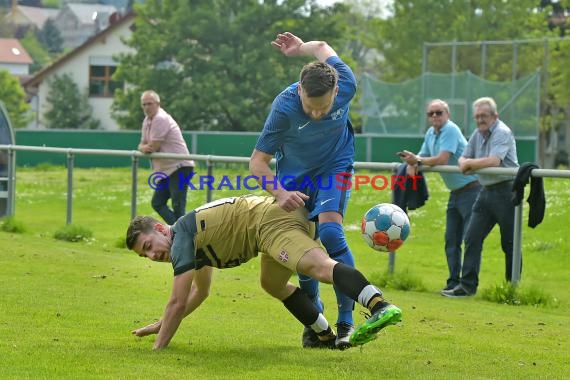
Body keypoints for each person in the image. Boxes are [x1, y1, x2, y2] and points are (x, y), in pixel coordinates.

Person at [125, 195, 402, 350]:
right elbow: (201, 291)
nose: (152, 256)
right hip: (267, 227)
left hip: (271, 223)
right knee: (272, 283)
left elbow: (176, 301)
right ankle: (324, 335)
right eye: (144, 255)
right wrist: (162, 324)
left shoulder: (181, 239)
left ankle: (380, 305)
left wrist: (158, 348)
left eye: (149, 246)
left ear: (161, 228)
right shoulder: (189, 239)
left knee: (319, 267)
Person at [250, 32, 358, 349]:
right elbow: (257, 163)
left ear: (337, 91)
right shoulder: (283, 109)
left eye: (323, 109)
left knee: (332, 234)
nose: (316, 114)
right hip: (295, 180)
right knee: (302, 252)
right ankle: (315, 318)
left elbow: (323, 47)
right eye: (310, 108)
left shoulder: (347, 84)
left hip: (335, 165)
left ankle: (346, 321)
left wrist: (300, 49)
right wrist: (281, 193)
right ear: (299, 91)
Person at [398, 99, 481, 293]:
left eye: (439, 112)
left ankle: (467, 286)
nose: (434, 116)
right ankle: (453, 283)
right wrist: (412, 163)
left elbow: (441, 159)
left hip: (472, 190)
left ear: (447, 115)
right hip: (456, 193)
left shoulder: (450, 130)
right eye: (431, 113)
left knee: (470, 240)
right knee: (451, 240)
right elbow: (421, 158)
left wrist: (416, 161)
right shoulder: (430, 133)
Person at [442, 97, 520, 298]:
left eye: (483, 116)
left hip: (506, 191)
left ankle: (512, 290)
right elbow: (462, 157)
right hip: (485, 192)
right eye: (477, 116)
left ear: (495, 116)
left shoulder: (502, 132)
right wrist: (464, 163)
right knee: (471, 237)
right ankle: (467, 287)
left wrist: (469, 164)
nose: (479, 120)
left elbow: (494, 161)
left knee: (510, 242)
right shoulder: (477, 134)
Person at [138, 90, 194, 225]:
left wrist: (144, 147)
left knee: (178, 207)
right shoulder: (147, 120)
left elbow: (153, 147)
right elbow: (143, 144)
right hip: (166, 169)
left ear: (157, 104)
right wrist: (142, 147)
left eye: (149, 104)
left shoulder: (160, 118)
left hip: (180, 167)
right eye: (144, 104)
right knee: (157, 203)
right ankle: (180, 234)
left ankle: (183, 237)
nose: (146, 107)